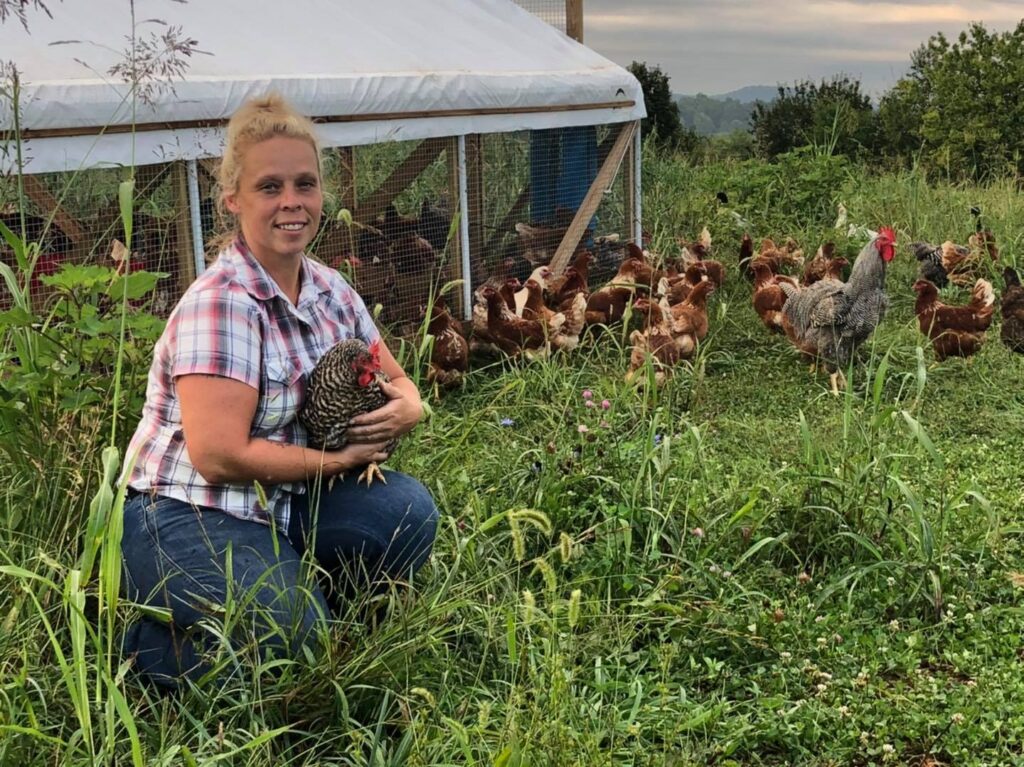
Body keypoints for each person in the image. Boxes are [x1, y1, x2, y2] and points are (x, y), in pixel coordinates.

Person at [119, 94, 438, 689]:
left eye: (304, 184)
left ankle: (293, 598)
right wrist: (338, 460)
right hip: (183, 510)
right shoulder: (222, 302)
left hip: (285, 498)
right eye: (270, 187)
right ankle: (144, 648)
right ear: (233, 199)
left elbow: (398, 380)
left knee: (407, 514)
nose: (291, 202)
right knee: (297, 639)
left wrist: (409, 408)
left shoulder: (330, 289)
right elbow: (218, 458)